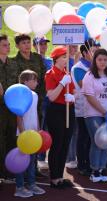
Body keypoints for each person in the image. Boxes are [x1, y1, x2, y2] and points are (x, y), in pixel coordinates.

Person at [82, 49, 107, 182]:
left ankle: (102, 169)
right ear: (95, 61)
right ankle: (94, 171)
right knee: (98, 141)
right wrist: (104, 112)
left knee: (106, 142)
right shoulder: (89, 76)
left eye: (105, 60)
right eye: (100, 59)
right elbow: (89, 97)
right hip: (94, 114)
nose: (103, 62)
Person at [45, 46, 75, 188]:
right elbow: (51, 96)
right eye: (64, 57)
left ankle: (60, 176)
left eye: (66, 57)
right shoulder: (50, 74)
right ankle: (54, 178)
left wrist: (72, 97)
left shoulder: (67, 73)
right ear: (56, 59)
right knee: (57, 144)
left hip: (68, 109)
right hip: (56, 110)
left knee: (65, 144)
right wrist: (62, 83)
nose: (66, 59)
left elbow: (74, 92)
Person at [14, 70, 46, 198]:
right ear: (25, 81)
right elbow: (19, 116)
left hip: (33, 134)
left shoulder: (35, 95)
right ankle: (19, 187)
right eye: (34, 80)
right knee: (22, 162)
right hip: (23, 135)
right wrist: (22, 134)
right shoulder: (20, 95)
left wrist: (38, 130)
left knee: (32, 161)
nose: (37, 82)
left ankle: (32, 184)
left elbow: (35, 114)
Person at [71, 39, 99, 176]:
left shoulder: (97, 66)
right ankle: (82, 164)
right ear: (84, 53)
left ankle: (91, 162)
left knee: (91, 137)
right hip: (82, 108)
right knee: (83, 136)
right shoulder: (78, 68)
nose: (95, 54)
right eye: (92, 51)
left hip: (95, 108)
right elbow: (85, 86)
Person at [0, 34, 19, 182]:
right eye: (4, 45)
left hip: (11, 108)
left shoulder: (13, 64)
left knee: (12, 138)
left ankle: (10, 171)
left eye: (8, 45)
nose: (8, 47)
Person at [33, 36, 52, 170]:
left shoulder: (50, 61)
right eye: (40, 43)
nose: (43, 46)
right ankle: (39, 158)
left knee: (48, 129)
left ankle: (44, 156)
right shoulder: (34, 61)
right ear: (35, 46)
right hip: (39, 101)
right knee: (39, 128)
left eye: (45, 43)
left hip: (51, 100)